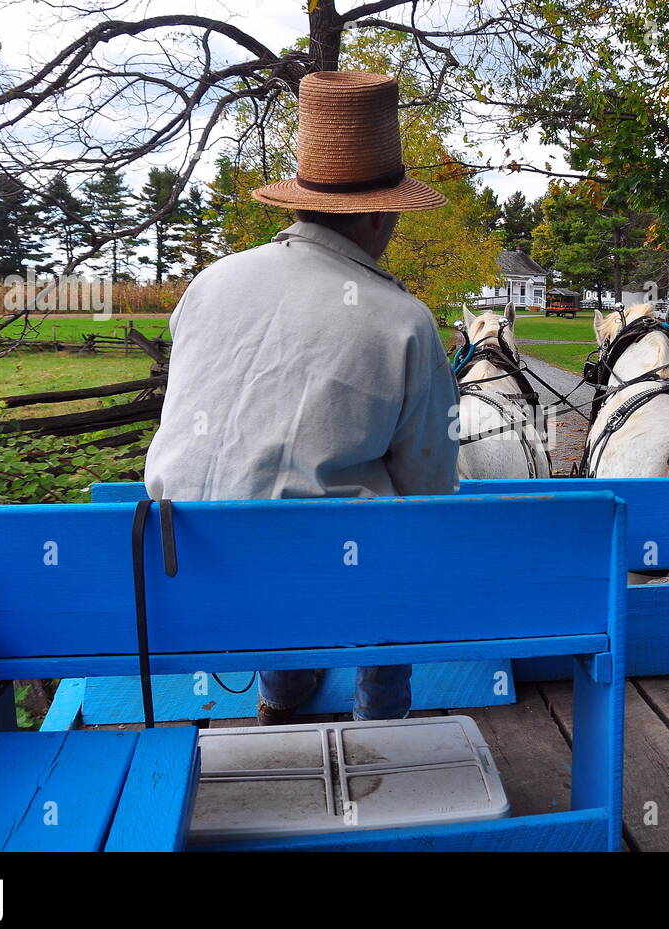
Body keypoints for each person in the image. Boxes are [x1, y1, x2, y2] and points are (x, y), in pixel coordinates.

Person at [144, 71, 460, 725]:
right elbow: (431, 491)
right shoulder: (401, 320)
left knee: (266, 509)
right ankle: (381, 721)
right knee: (384, 539)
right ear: (379, 212)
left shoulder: (210, 283)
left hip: (185, 578)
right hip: (333, 588)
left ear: (301, 203)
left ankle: (281, 694)